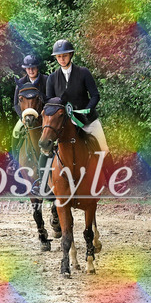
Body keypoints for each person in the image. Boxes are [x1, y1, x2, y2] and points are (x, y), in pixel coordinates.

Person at [39, 39, 120, 193]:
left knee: (103, 148)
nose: (62, 59)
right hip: (64, 123)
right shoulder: (52, 78)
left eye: (64, 55)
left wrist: (87, 110)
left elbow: (95, 95)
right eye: (59, 56)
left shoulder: (83, 73)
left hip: (87, 120)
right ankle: (43, 184)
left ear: (70, 55)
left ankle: (113, 182)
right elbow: (50, 103)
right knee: (46, 147)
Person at [7, 54, 48, 175]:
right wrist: (22, 117)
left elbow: (50, 98)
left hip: (43, 115)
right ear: (25, 69)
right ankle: (14, 161)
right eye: (28, 68)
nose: (31, 70)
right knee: (16, 131)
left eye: (33, 68)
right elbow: (16, 103)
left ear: (37, 68)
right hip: (26, 116)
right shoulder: (21, 82)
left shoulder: (46, 80)